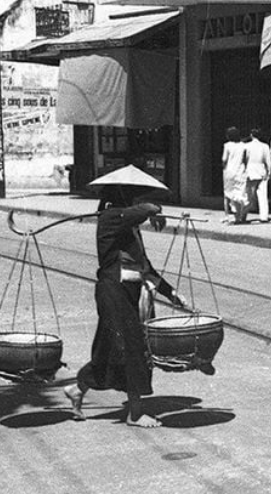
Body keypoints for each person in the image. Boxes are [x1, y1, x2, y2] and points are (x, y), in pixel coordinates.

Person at [64, 180, 188, 428]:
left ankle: (78, 388)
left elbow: (146, 268)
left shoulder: (129, 228)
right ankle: (136, 412)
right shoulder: (110, 218)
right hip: (113, 293)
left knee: (111, 351)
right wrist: (153, 209)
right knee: (132, 349)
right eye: (133, 198)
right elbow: (137, 212)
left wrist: (171, 292)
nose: (136, 203)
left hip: (130, 294)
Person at [221, 126, 249, 224]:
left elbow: (224, 159)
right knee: (241, 193)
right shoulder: (243, 145)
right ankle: (242, 216)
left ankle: (228, 216)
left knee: (228, 194)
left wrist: (223, 167)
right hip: (240, 171)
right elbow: (245, 160)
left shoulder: (227, 145)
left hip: (229, 172)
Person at [244, 128, 271, 222]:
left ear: (251, 135)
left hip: (250, 170)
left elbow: (244, 160)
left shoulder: (246, 146)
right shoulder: (265, 146)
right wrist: (269, 172)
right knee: (263, 195)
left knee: (248, 195)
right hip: (261, 170)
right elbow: (268, 161)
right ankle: (264, 216)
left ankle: (243, 215)